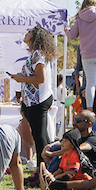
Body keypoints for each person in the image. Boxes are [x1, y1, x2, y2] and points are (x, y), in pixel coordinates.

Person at [9, 26, 57, 169]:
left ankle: (43, 168)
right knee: (40, 136)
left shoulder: (38, 54)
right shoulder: (36, 54)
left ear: (35, 36)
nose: (26, 33)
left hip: (39, 99)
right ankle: (47, 166)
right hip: (33, 100)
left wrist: (21, 78)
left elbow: (40, 78)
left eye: (29, 32)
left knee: (40, 136)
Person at [37, 110, 96, 190]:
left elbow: (76, 149)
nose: (74, 123)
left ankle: (49, 179)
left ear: (89, 124)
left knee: (59, 154)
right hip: (72, 167)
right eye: (74, 119)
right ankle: (42, 177)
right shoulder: (76, 135)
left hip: (87, 171)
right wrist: (48, 146)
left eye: (78, 121)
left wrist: (52, 154)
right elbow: (61, 142)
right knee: (55, 148)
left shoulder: (94, 139)